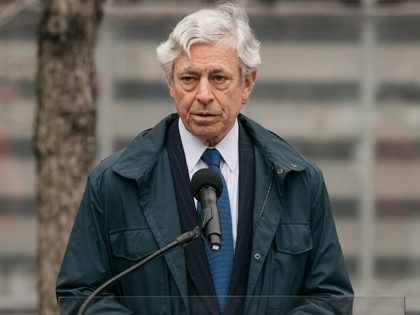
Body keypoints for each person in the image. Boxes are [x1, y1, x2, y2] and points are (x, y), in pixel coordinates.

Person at [56, 2, 353, 314]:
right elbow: (80, 295)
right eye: (189, 78)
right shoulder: (115, 183)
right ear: (171, 85)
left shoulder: (298, 181)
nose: (203, 94)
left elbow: (330, 298)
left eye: (218, 78)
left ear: (247, 84)